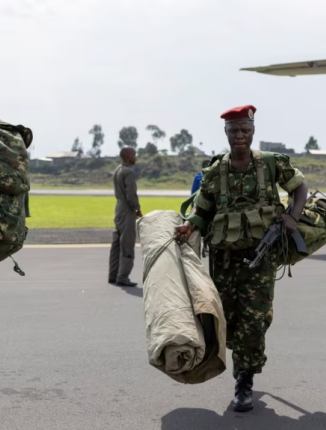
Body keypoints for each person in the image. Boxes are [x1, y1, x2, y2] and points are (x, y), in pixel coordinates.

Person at [173, 105, 308, 413]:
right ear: (226, 133)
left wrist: (293, 216)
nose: (240, 135)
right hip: (223, 261)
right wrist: (190, 225)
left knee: (254, 321)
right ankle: (239, 364)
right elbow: (202, 209)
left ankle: (244, 380)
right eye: (234, 130)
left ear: (253, 131)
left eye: (245, 130)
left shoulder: (271, 164)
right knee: (227, 320)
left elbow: (299, 187)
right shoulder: (215, 171)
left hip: (260, 260)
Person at [109, 147, 142, 287]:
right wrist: (137, 208)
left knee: (117, 244)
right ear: (128, 156)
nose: (135, 157)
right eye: (134, 154)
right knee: (127, 244)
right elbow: (131, 194)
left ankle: (113, 275)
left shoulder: (118, 170)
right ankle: (123, 277)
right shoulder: (128, 172)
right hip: (127, 209)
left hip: (118, 208)